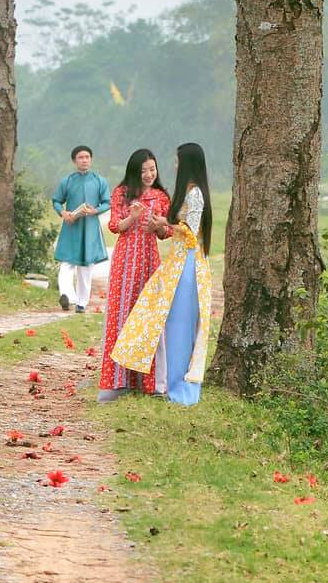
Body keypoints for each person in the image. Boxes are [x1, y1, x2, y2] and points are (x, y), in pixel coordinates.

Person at [109, 142, 213, 405]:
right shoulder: (185, 192)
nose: (174, 165)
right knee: (168, 323)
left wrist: (164, 223)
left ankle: (180, 388)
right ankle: (164, 383)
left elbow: (190, 235)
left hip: (188, 265)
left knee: (180, 326)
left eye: (177, 161)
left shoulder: (195, 194)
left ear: (187, 163)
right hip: (176, 264)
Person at [98, 147, 171, 400]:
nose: (149, 174)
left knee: (148, 318)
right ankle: (118, 381)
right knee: (121, 316)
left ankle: (149, 383)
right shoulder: (122, 193)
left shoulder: (161, 197)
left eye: (152, 169)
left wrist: (157, 226)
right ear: (134, 172)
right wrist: (133, 217)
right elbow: (115, 226)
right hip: (125, 262)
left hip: (149, 260)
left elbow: (165, 232)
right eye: (143, 171)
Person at [51, 143, 110, 312]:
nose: (84, 160)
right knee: (66, 264)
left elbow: (107, 202)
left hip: (90, 227)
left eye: (87, 157)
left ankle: (81, 303)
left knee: (86, 267)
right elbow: (56, 200)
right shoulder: (67, 181)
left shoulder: (100, 181)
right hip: (71, 226)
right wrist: (63, 213)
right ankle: (67, 296)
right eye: (80, 158)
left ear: (91, 160)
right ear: (74, 161)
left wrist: (95, 210)